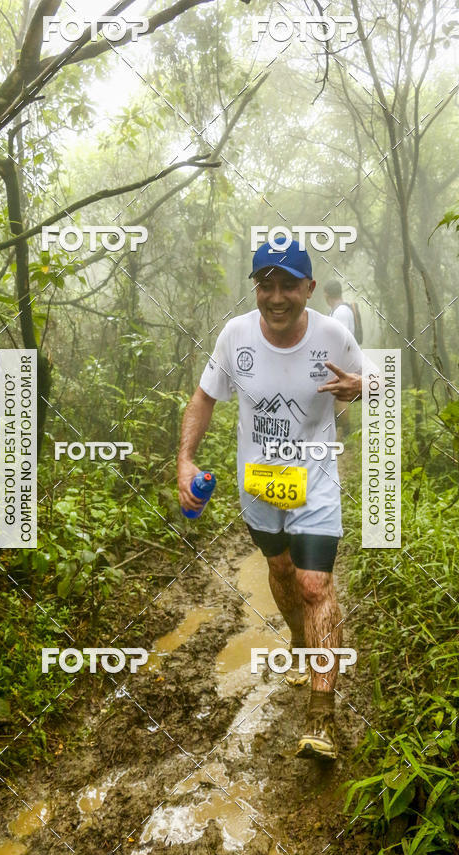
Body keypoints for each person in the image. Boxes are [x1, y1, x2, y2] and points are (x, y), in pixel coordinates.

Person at [177, 239, 364, 760]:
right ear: (257, 288)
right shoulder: (235, 336)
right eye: (266, 285)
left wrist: (365, 387)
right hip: (257, 480)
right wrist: (186, 460)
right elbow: (204, 398)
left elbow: (377, 381)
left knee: (313, 582)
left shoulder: (334, 335)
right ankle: (302, 642)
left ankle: (321, 717)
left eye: (288, 286)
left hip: (316, 476)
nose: (276, 297)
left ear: (309, 289)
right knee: (280, 572)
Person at [323, 280, 358, 438]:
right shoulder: (338, 310)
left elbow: (340, 339)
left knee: (339, 395)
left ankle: (346, 432)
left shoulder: (341, 312)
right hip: (340, 358)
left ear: (327, 294)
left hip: (341, 360)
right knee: (336, 395)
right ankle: (341, 430)